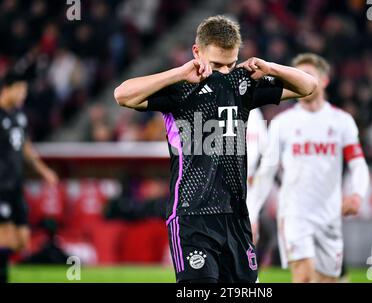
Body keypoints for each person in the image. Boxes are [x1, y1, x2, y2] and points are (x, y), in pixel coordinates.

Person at [114, 15, 317, 283]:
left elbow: (308, 86)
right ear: (197, 51)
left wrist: (271, 69)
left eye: (230, 64)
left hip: (235, 216)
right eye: (217, 64)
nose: (224, 72)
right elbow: (122, 94)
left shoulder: (241, 84)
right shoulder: (179, 87)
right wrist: (178, 73)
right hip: (191, 215)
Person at [247, 53, 369, 282]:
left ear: (324, 80)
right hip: (294, 213)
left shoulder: (342, 121)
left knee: (327, 279)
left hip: (329, 214)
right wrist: (252, 214)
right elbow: (266, 173)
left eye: (308, 75)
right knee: (303, 276)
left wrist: (357, 194)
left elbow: (358, 163)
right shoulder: (282, 124)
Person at [0, 72, 59, 283]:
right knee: (5, 236)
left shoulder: (19, 116)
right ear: (7, 89)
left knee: (22, 241)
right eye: (20, 90)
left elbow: (26, 149)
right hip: (1, 186)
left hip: (16, 184)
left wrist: (44, 171)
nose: (23, 94)